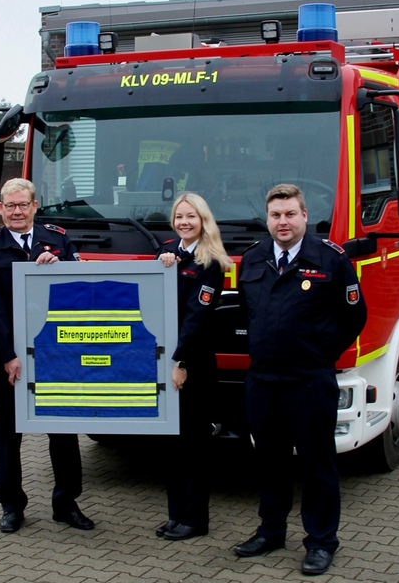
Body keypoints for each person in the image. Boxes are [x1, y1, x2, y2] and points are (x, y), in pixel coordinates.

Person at [233, 184, 367, 575]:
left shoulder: (330, 259)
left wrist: (321, 353)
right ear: (268, 219)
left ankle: (322, 541)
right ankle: (271, 530)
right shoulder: (254, 258)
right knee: (270, 461)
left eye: (290, 214)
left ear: (305, 216)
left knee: (316, 463)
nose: (283, 222)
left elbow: (353, 316)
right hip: (264, 380)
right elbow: (248, 312)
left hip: (309, 380)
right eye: (276, 215)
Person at [0, 177, 94, 534]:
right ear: (0, 209)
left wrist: (57, 265)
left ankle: (66, 502)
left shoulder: (57, 239)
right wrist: (9, 354)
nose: (16, 211)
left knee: (62, 428)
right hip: (9, 357)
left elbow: (79, 290)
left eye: (22, 205)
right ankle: (11, 505)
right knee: (9, 432)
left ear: (34, 206)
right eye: (9, 206)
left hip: (55, 355)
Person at [155, 193, 232, 541]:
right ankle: (176, 515)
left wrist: (180, 362)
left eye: (192, 217)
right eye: (179, 216)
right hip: (166, 361)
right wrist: (161, 264)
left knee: (194, 444)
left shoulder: (210, 261)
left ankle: (195, 519)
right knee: (171, 444)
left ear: (204, 220)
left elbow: (196, 317)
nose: (185, 222)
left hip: (192, 362)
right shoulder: (170, 251)